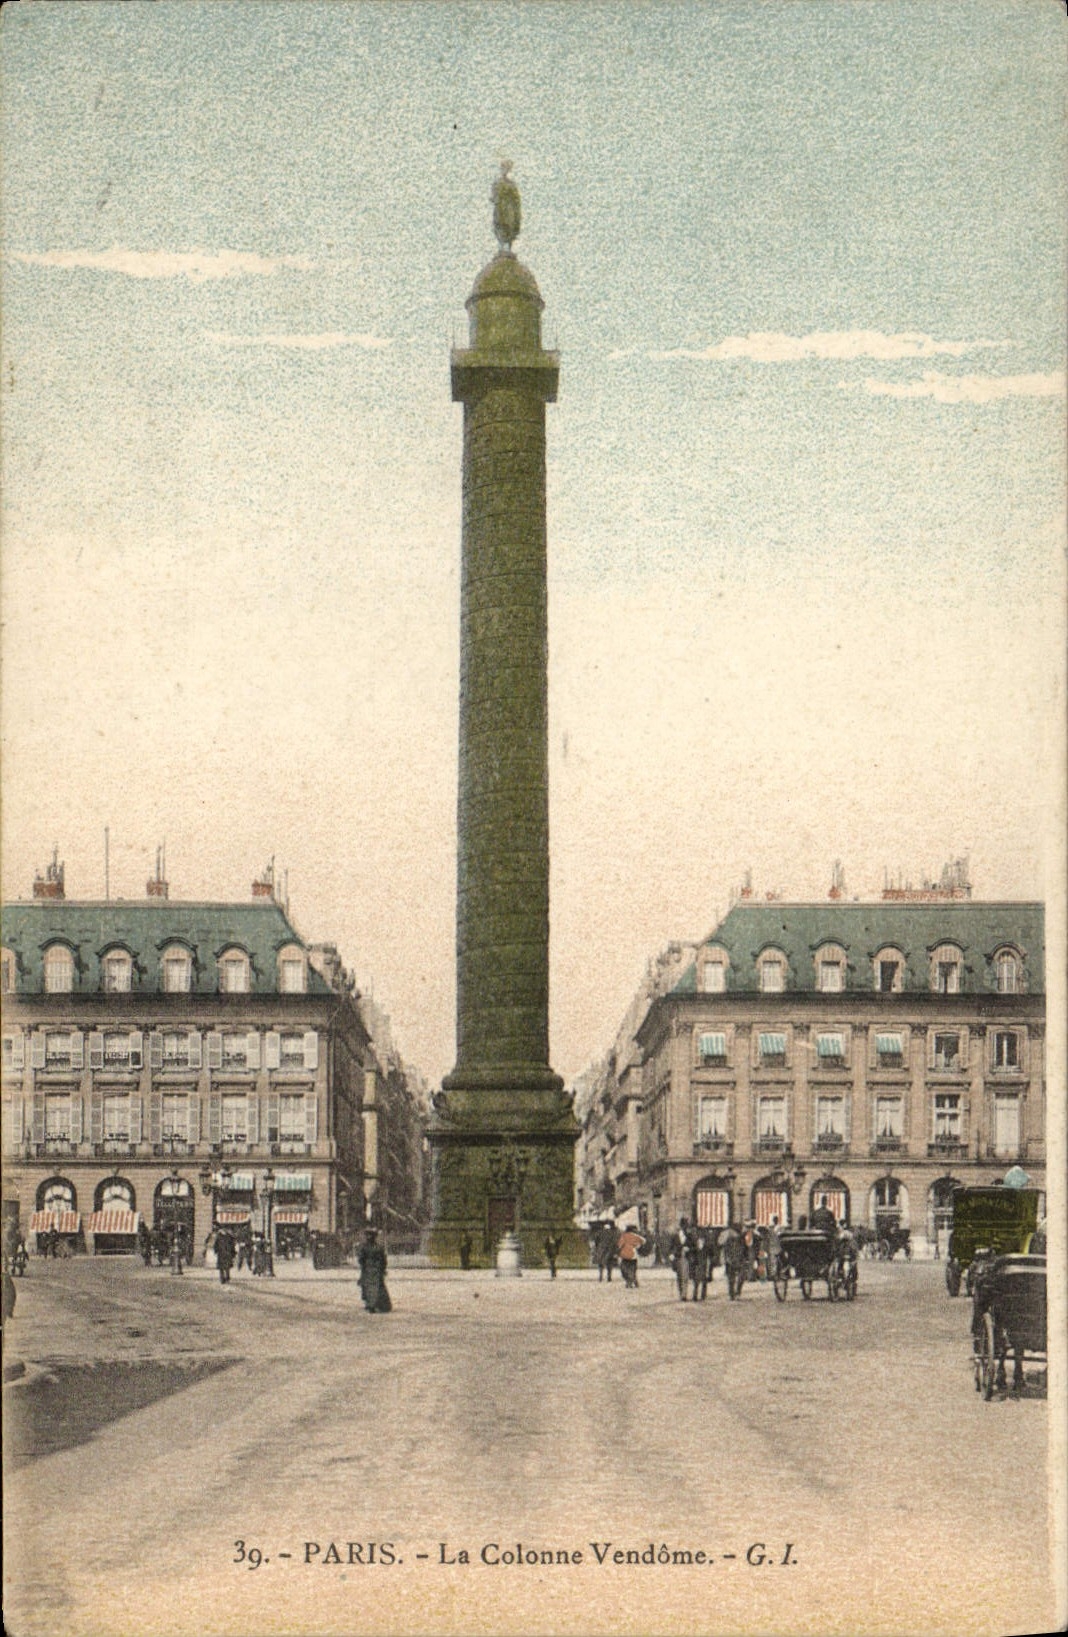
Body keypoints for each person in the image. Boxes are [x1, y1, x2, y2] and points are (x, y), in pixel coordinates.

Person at [358, 1228, 392, 1313]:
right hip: (375, 1269)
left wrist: (364, 1266)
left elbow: (361, 1259)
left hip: (369, 1269)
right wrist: (383, 1269)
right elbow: (384, 1260)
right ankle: (376, 1304)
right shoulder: (378, 1247)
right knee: (376, 1287)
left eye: (369, 1235)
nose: (368, 1237)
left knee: (370, 1287)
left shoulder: (365, 1247)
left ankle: (371, 1305)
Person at [669, 1218, 693, 1300]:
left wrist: (689, 1248)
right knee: (679, 1276)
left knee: (685, 1276)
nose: (685, 1228)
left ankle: (684, 1294)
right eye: (684, 1226)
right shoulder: (675, 1236)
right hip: (677, 1257)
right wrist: (671, 1254)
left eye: (686, 1226)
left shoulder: (689, 1236)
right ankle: (681, 1293)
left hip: (686, 1258)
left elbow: (693, 1246)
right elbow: (671, 1247)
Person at [616, 1223, 645, 1288]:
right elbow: (643, 1241)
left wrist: (618, 1252)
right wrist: (637, 1245)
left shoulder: (623, 1236)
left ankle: (629, 1281)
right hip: (633, 1255)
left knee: (624, 1269)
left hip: (625, 1255)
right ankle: (634, 1281)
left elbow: (619, 1245)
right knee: (633, 1269)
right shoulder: (636, 1236)